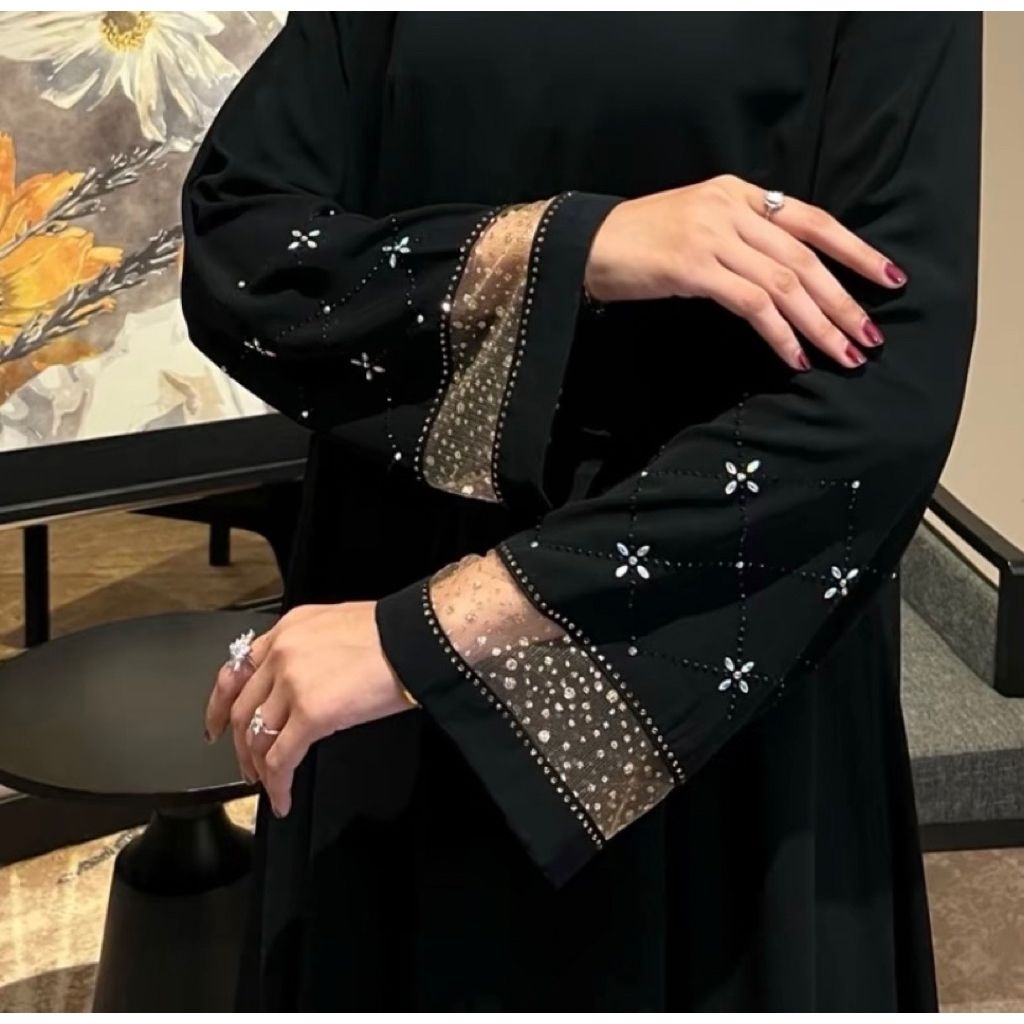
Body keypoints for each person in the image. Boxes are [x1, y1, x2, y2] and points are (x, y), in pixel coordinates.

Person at [180, 13, 981, 1011]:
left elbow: (882, 407)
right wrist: (576, 245)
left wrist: (430, 638)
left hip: (710, 641)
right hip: (385, 658)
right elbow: (240, 249)